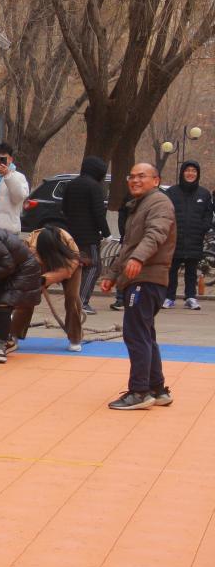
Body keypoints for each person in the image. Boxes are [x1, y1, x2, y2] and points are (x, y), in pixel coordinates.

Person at [100, 163, 176, 410]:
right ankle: (156, 388)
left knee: (135, 334)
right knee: (145, 333)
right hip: (139, 277)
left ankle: (140, 391)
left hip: (147, 278)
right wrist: (113, 274)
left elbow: (155, 235)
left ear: (156, 180)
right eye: (131, 176)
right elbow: (128, 247)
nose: (135, 180)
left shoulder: (159, 203)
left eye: (142, 176)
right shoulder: (140, 205)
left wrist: (138, 259)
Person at [0, 225, 42, 363]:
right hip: (1, 269)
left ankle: (0, 347)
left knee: (3, 303)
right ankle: (8, 340)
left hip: (22, 269)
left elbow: (7, 264)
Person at [12, 224, 83, 351]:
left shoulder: (68, 240)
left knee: (73, 298)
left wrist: (45, 279)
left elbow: (70, 267)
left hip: (68, 265)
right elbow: (23, 267)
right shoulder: (29, 246)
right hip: (40, 267)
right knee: (27, 298)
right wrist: (37, 280)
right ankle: (13, 334)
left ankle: (75, 338)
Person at [63, 155, 111, 315]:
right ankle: (81, 301)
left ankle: (72, 300)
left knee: (75, 267)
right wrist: (107, 233)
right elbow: (99, 213)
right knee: (93, 266)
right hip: (89, 236)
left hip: (71, 235)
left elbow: (63, 208)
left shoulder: (71, 184)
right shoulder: (94, 187)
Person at [163, 160, 211, 310]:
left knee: (191, 270)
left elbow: (208, 215)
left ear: (198, 174)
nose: (190, 173)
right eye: (187, 170)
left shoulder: (204, 194)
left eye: (194, 171)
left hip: (195, 238)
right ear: (182, 173)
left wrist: (203, 228)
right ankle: (169, 297)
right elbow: (165, 213)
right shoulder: (172, 192)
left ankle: (191, 297)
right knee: (172, 269)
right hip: (174, 238)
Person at [0, 142, 30, 234]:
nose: (1, 161)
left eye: (4, 158)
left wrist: (8, 175)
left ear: (10, 159)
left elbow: (18, 198)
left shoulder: (19, 177)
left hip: (9, 230)